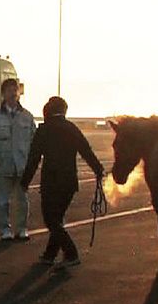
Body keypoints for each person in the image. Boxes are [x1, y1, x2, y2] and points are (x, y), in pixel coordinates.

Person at [21, 96, 104, 268]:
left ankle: (71, 253)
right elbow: (86, 151)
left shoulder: (44, 130)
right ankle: (50, 255)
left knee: (51, 220)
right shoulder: (71, 128)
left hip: (51, 182)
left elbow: (33, 158)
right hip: (69, 182)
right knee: (57, 218)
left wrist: (25, 182)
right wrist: (98, 169)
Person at [0, 78, 36, 240]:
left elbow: (34, 139)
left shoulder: (26, 116)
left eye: (15, 90)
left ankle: (22, 228)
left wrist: (31, 161)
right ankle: (5, 229)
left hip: (22, 165)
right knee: (3, 200)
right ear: (3, 93)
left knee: (23, 200)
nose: (13, 93)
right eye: (9, 90)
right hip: (2, 164)